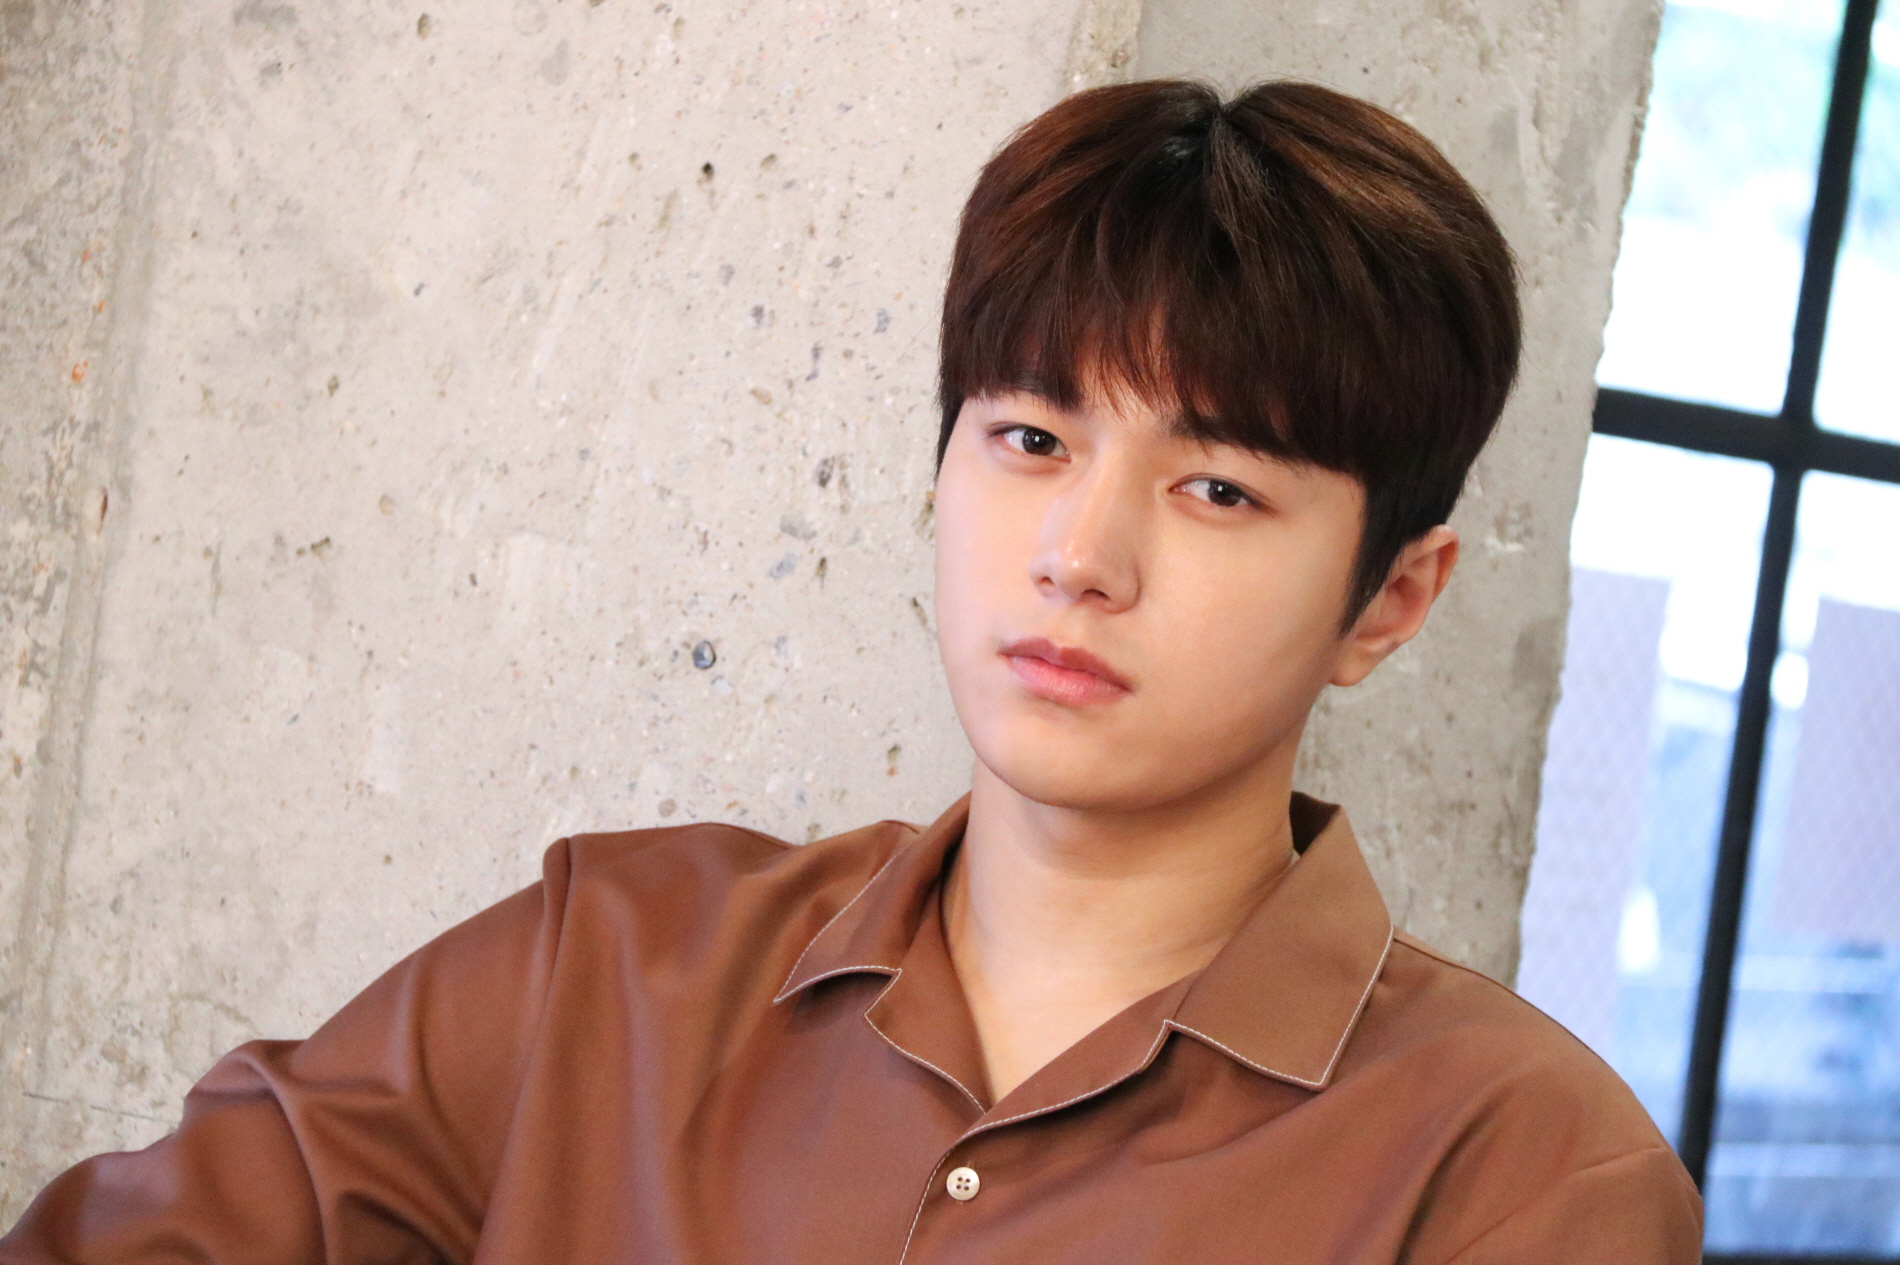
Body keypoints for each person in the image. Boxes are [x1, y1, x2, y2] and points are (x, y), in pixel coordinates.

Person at [0, 79, 1701, 1263]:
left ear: (1389, 601)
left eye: (1216, 488)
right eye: (1030, 437)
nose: (1080, 553)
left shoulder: (1522, 1174)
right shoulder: (613, 967)